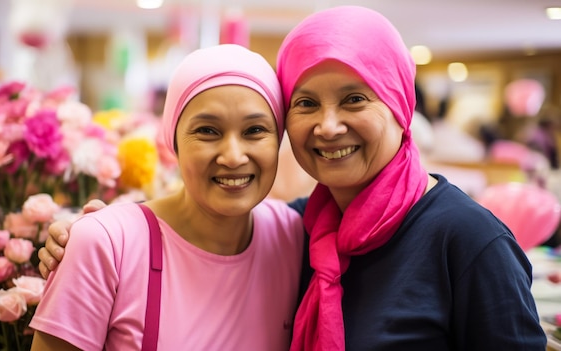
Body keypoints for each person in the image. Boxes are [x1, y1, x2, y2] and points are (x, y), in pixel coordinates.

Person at [40, 6, 547, 350]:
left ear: (399, 104)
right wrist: (88, 236)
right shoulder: (306, 229)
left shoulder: (468, 240)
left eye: (354, 98)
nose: (328, 125)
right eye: (306, 103)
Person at [30, 44, 305, 351]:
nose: (233, 156)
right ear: (173, 140)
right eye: (208, 131)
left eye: (255, 130)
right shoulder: (108, 244)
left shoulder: (293, 236)